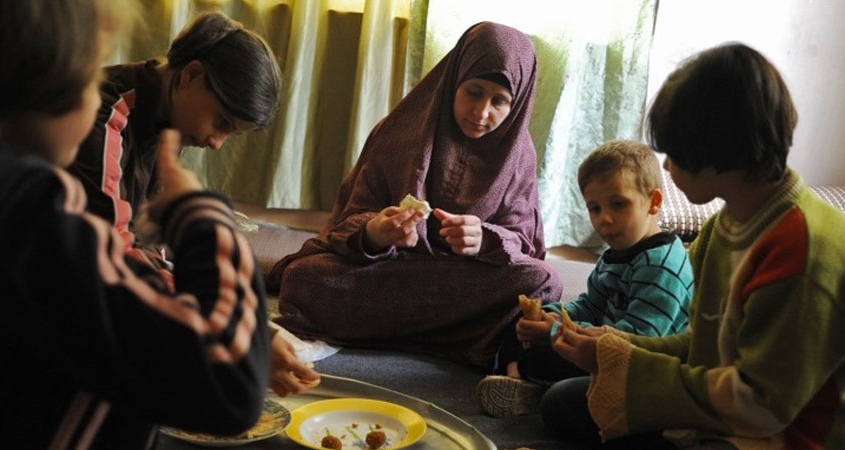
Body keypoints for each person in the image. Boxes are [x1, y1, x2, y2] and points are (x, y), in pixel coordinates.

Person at [0, 1, 273, 447]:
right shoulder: (18, 208)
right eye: (90, 68)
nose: (100, 84)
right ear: (40, 78)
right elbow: (228, 381)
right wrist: (202, 216)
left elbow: (135, 254)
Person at [553, 43, 845, 449]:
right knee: (564, 403)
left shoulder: (800, 247)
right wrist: (615, 347)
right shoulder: (723, 227)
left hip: (778, 434)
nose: (668, 167)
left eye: (675, 152)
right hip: (729, 407)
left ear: (716, 147)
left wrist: (631, 370)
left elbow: (762, 406)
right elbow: (703, 344)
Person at [267, 22, 562, 366]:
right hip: (391, 271)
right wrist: (376, 232)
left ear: (518, 103)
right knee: (304, 279)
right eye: (474, 91)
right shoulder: (400, 130)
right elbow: (349, 220)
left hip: (462, 281)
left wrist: (485, 239)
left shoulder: (518, 154)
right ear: (454, 81)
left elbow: (524, 243)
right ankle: (464, 341)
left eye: (499, 101)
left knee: (543, 281)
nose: (481, 112)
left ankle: (386, 332)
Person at [69, 11, 318, 396]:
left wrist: (257, 327)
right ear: (191, 75)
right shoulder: (108, 111)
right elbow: (113, 252)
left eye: (230, 134)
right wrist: (239, 334)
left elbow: (151, 245)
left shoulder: (164, 121)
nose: (217, 143)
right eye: (221, 121)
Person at [476, 139, 694, 418]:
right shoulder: (615, 253)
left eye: (618, 205)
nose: (605, 219)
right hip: (600, 346)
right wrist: (551, 315)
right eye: (595, 209)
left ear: (653, 202)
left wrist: (558, 332)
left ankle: (523, 381)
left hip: (637, 365)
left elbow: (640, 340)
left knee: (555, 382)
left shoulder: (662, 265)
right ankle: (519, 381)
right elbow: (591, 305)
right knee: (518, 323)